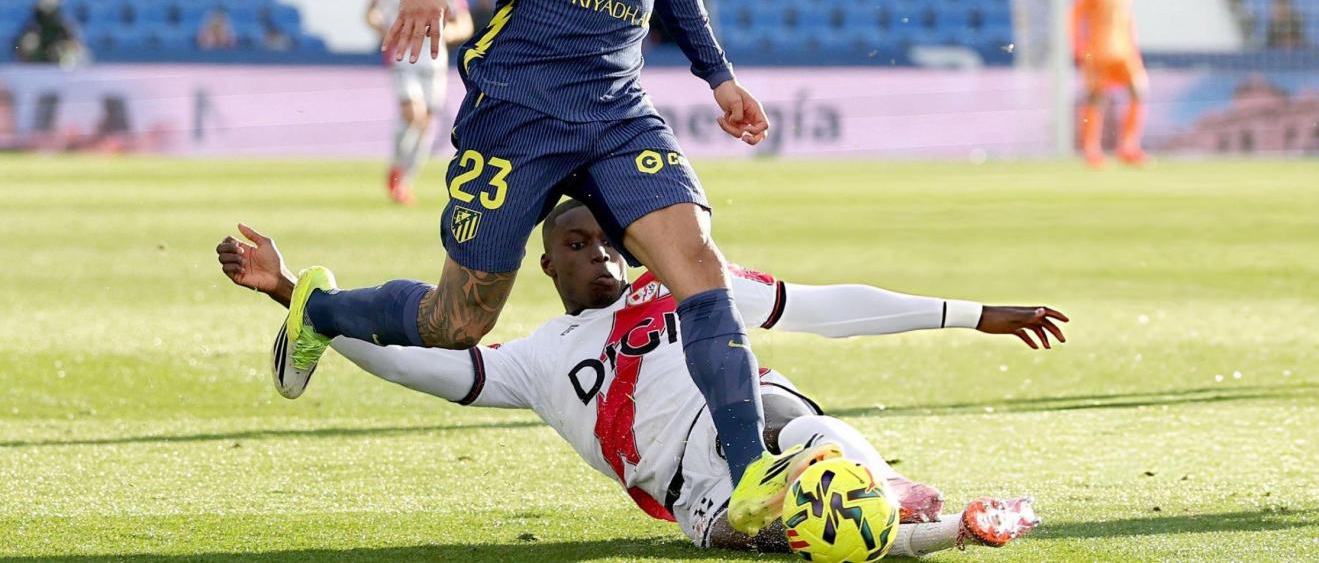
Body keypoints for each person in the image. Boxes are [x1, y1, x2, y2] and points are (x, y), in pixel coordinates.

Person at [277, 0, 817, 538]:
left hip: (616, 110)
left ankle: (749, 472)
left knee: (698, 267)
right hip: (519, 109)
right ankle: (321, 309)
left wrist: (718, 76)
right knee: (456, 322)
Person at [218, 200, 1059, 553]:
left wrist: (974, 312)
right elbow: (420, 367)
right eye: (576, 245)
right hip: (693, 497)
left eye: (608, 240)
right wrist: (294, 296)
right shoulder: (541, 357)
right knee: (802, 540)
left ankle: (885, 489)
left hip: (757, 433)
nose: (600, 254)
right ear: (543, 263)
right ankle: (944, 528)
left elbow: (822, 306)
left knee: (794, 426)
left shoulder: (681, 286)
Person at [365, 0, 474, 205]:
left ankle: (404, 178)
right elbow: (370, 12)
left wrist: (446, 33)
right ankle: (396, 172)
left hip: (434, 59)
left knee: (425, 124)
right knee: (413, 113)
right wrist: (385, 29)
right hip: (403, 55)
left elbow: (465, 23)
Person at [1071, 0, 1148, 167]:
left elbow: (1127, 18)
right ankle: (1091, 150)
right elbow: (1076, 16)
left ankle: (1128, 146)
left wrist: (1134, 46)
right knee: (1096, 97)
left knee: (1139, 90)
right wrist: (1078, 47)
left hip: (1124, 49)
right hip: (1098, 49)